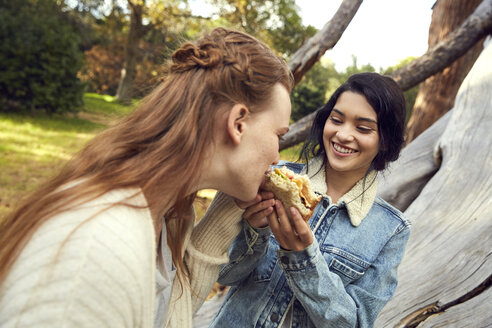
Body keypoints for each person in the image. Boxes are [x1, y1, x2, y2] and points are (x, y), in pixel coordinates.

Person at [0, 27, 293, 328]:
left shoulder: (166, 215)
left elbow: (163, 315)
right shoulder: (95, 254)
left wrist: (226, 209)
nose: (276, 158)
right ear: (238, 123)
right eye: (278, 135)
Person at [208, 72, 412, 327]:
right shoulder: (270, 175)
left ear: (385, 141)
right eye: (336, 120)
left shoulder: (391, 230)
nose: (343, 135)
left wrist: (302, 257)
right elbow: (224, 276)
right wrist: (255, 232)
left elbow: (355, 323)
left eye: (363, 128)